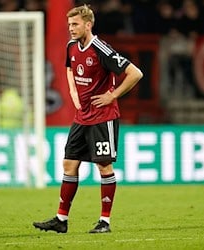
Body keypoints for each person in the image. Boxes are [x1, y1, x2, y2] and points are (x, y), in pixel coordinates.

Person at [33, 4, 143, 234]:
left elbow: (135, 73)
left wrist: (112, 95)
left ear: (88, 25)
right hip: (82, 117)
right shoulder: (71, 46)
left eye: (75, 24)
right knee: (69, 164)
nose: (71, 29)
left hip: (103, 117)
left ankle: (105, 222)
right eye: (69, 25)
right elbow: (69, 69)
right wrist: (73, 92)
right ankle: (61, 220)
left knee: (104, 167)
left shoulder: (101, 49)